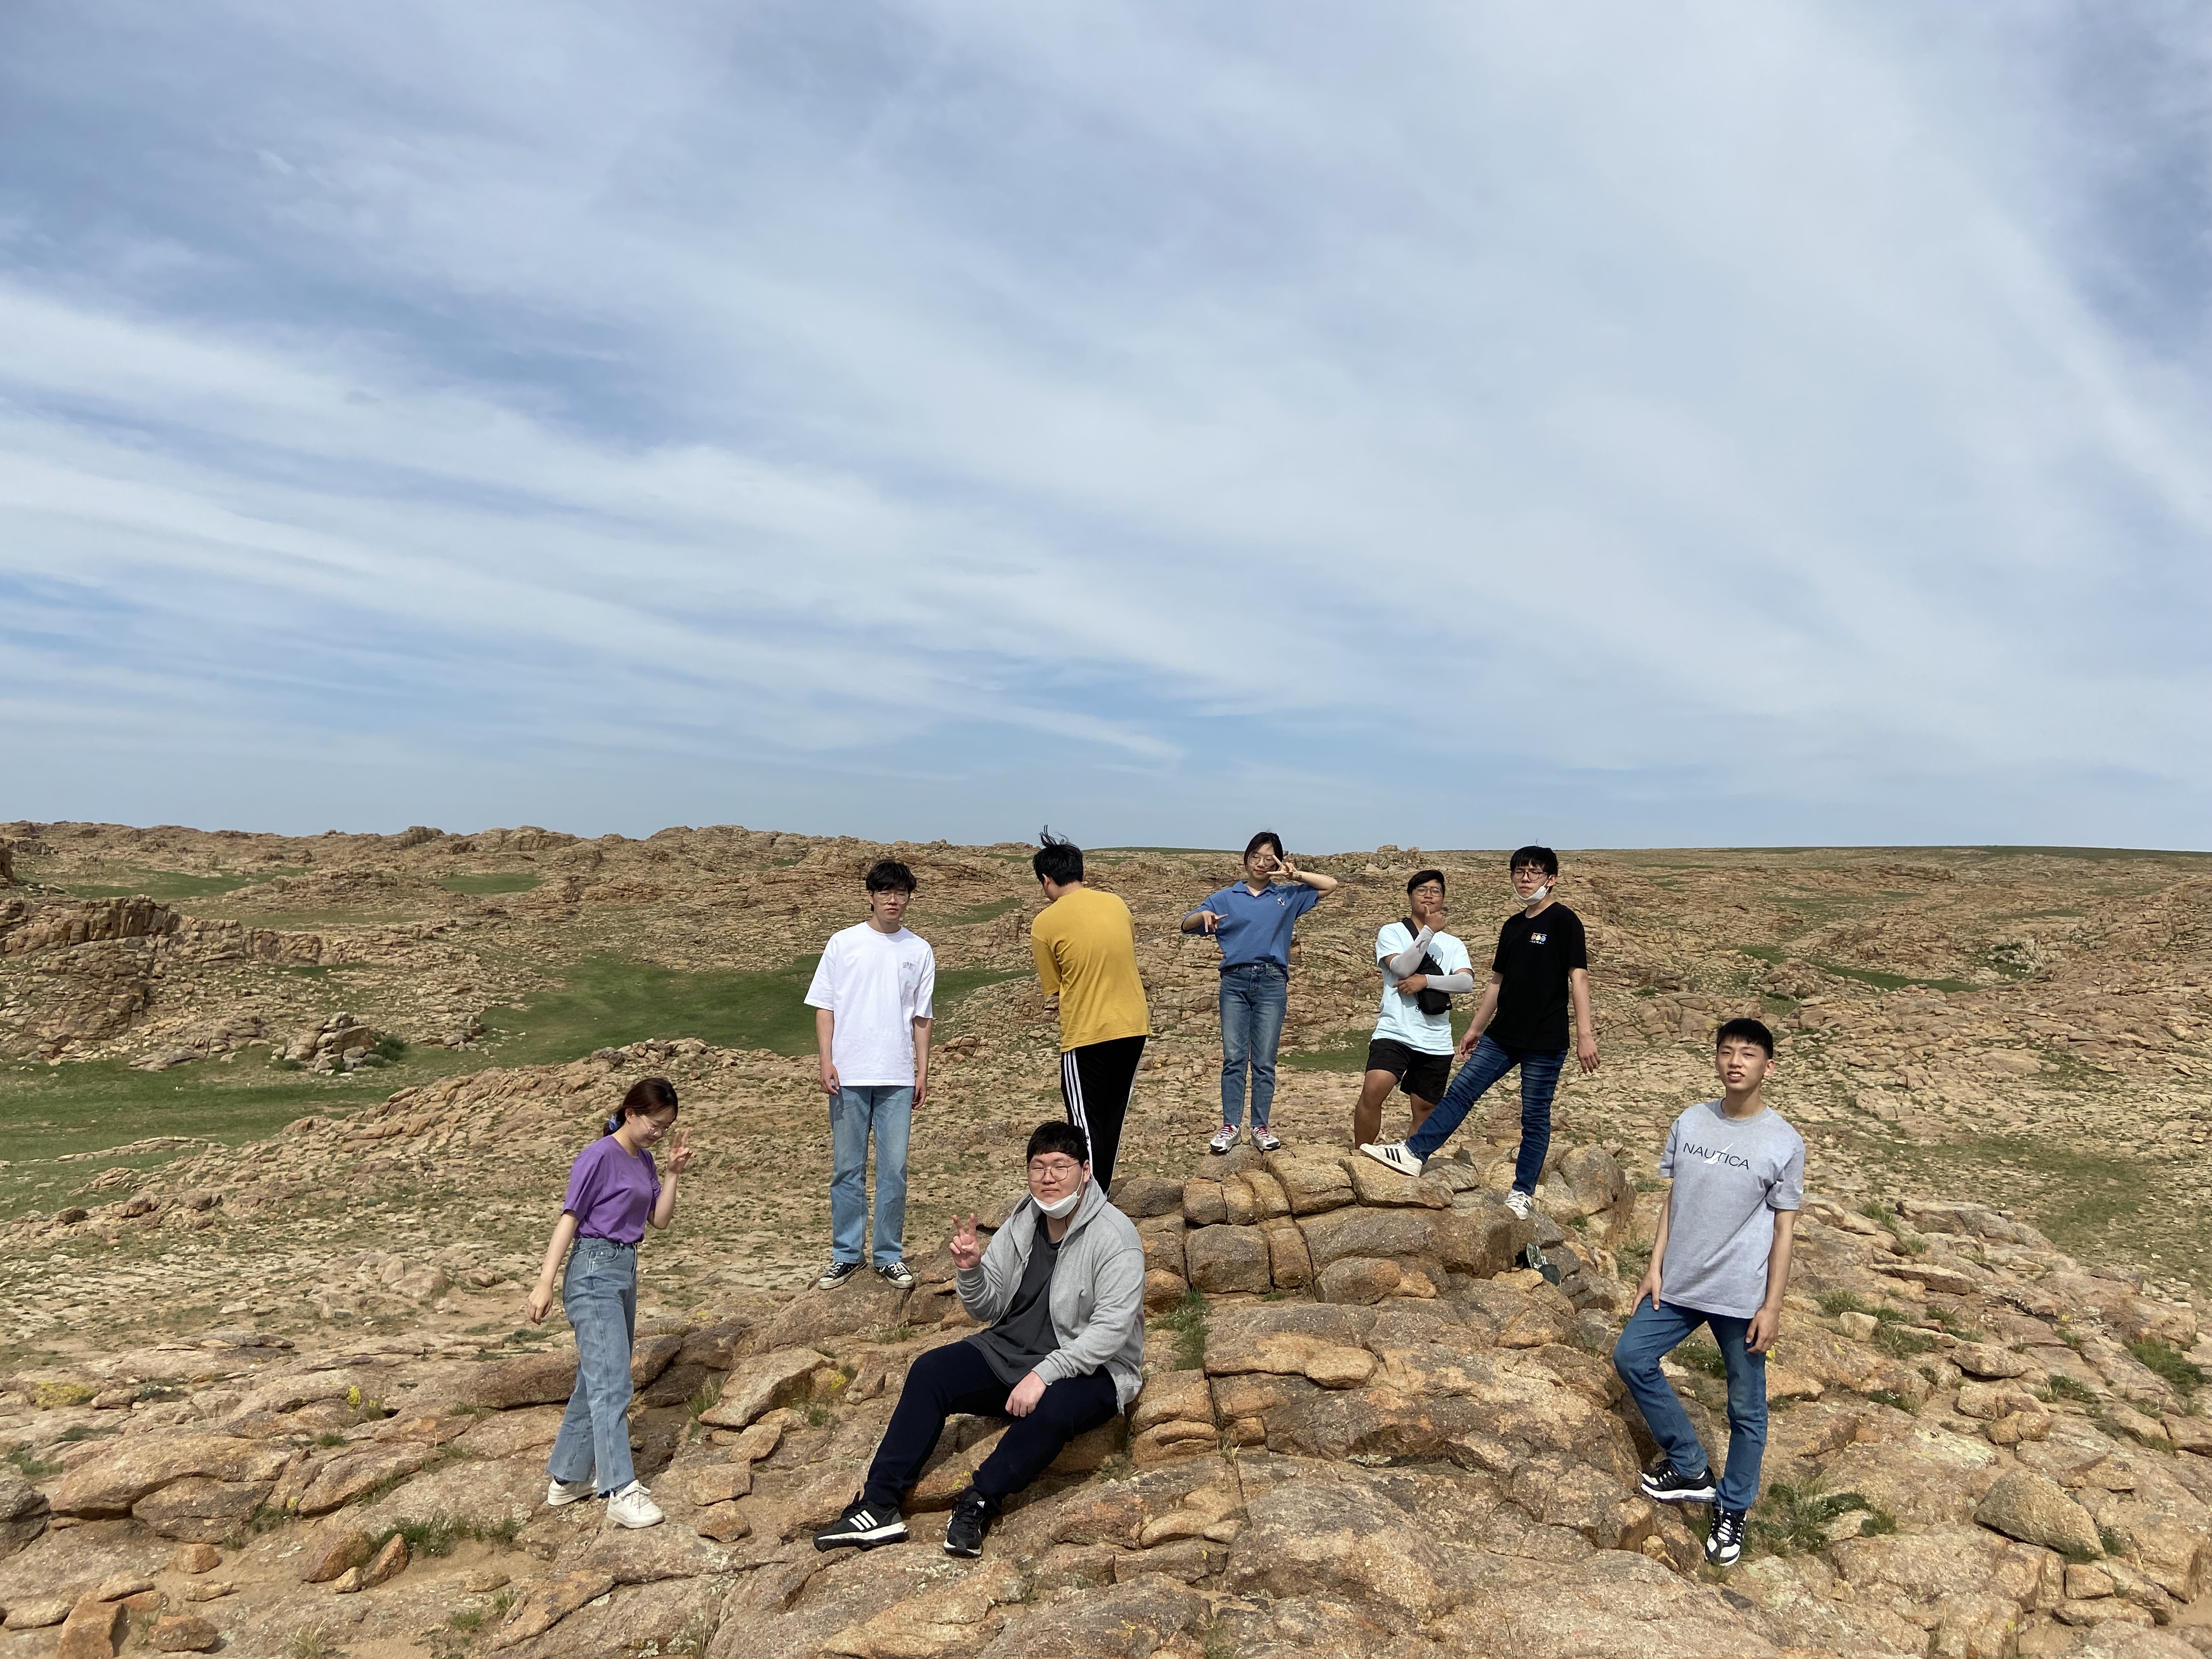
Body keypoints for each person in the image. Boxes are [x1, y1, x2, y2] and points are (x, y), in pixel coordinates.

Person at [812, 1120, 1145, 1558]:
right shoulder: (1023, 1222)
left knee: (1054, 1410)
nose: (1048, 1177)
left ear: (1085, 1172)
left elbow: (1111, 1330)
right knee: (931, 1371)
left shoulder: (1115, 1236)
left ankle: (978, 1502)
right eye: (1038, 1167)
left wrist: (1044, 1375)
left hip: (1092, 1369)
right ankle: (878, 1506)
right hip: (1011, 1351)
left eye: (1061, 1166)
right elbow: (987, 1309)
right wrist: (971, 1269)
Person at [1613, 1018, 1803, 1568]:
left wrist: (1772, 1306)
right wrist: (1654, 1268)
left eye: (1748, 1054)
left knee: (1746, 1408)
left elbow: (1785, 1230)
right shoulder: (1691, 1121)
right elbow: (1675, 1200)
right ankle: (1691, 1465)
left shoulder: (1784, 1142)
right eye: (1726, 1052)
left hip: (1740, 1297)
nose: (1735, 1062)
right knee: (1631, 1356)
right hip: (1680, 1283)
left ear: (1768, 1066)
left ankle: (1734, 1506)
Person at [1358, 845, 1598, 1216]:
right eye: (1519, 872)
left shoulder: (1565, 921)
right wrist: (1475, 1028)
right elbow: (1496, 982)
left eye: (1534, 872)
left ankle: (1522, 1193)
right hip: (1501, 1035)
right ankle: (1414, 1153)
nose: (1525, 879)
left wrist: (1585, 1035)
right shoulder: (1513, 926)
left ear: (1551, 879)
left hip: (1545, 1040)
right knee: (1460, 1094)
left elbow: (1578, 977)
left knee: (1534, 1117)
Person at [528, 1076, 696, 1530]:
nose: (659, 1133)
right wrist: (544, 1282)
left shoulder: (644, 1160)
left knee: (596, 1379)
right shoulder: (599, 1156)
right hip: (593, 1270)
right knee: (613, 1384)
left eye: (666, 1127)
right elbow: (570, 1217)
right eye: (655, 1124)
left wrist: (672, 1173)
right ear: (631, 1113)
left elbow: (659, 1221)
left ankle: (567, 1478)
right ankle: (620, 1489)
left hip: (624, 1269)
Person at [805, 858, 936, 1291]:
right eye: (885, 892)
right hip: (849, 1072)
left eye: (901, 893)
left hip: (897, 1075)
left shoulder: (919, 950)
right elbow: (825, 1006)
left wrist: (922, 1070)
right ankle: (846, 1254)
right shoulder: (843, 943)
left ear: (909, 898)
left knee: (894, 1169)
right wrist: (826, 1060)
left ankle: (888, 1255)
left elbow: (922, 1017)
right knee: (848, 1169)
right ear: (871, 896)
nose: (893, 900)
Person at [1181, 832, 1339, 1154]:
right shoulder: (1227, 897)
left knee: (1265, 1060)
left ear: (1278, 862)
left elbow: (1330, 885)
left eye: (1270, 858)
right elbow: (1187, 924)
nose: (1262, 863)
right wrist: (1204, 916)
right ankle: (1230, 1126)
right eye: (1256, 856)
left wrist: (1296, 875)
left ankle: (1260, 1126)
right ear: (1246, 858)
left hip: (1271, 982)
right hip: (1235, 982)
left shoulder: (1288, 895)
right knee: (1234, 1058)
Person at [1028, 830, 1149, 1194]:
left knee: (1083, 1123)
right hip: (1133, 1025)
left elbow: (1054, 986)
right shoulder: (1117, 904)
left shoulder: (1045, 923)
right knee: (1112, 1116)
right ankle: (1102, 1193)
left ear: (1047, 880)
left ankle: (1088, 1202)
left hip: (1088, 1030)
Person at [1351, 869, 1474, 1149]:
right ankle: (1360, 1154)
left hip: (1435, 1037)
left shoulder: (1453, 944)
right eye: (1422, 890)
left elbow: (1465, 982)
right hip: (1395, 1029)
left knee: (1425, 1107)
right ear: (1410, 896)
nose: (1429, 895)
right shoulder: (1392, 932)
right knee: (1374, 1089)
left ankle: (1411, 1158)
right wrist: (1429, 932)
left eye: (1436, 891)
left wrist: (1426, 981)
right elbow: (1401, 967)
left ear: (1443, 898)